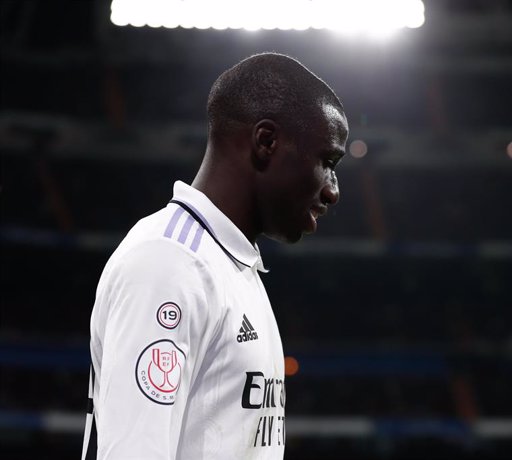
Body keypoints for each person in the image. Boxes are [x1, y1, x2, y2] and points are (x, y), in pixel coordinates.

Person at [82, 52, 348, 460]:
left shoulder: (232, 265)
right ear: (266, 142)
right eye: (327, 162)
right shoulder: (169, 262)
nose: (333, 190)